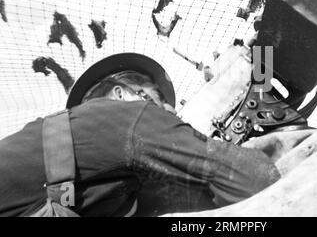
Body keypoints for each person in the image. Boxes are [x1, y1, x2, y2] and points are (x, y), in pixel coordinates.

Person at [0, 53, 280, 217]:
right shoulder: (125, 117)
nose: (170, 110)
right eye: (158, 100)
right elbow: (253, 178)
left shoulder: (102, 176)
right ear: (122, 95)